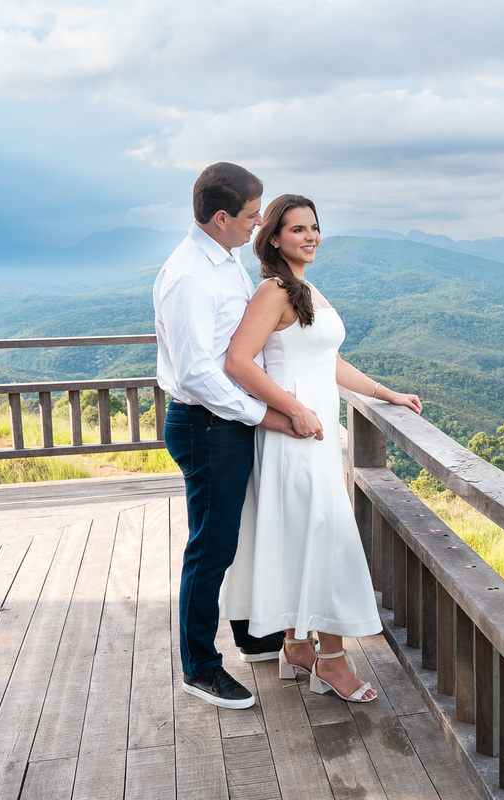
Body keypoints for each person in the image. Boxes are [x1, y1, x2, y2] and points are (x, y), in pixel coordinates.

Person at [222, 194, 421, 703]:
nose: (310, 236)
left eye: (313, 227)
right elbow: (238, 361)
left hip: (317, 436)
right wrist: (293, 408)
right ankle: (331, 658)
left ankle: (296, 644)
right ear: (273, 238)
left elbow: (327, 361)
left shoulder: (304, 287)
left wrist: (386, 393)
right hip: (294, 436)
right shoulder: (273, 291)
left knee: (306, 537)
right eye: (297, 229)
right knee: (327, 537)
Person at [154, 163, 299, 710]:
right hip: (207, 424)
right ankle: (200, 667)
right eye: (250, 215)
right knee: (210, 548)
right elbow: (197, 372)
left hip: (225, 421)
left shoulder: (226, 258)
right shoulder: (191, 275)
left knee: (235, 535)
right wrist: (263, 414)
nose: (258, 222)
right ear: (221, 217)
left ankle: (249, 634)